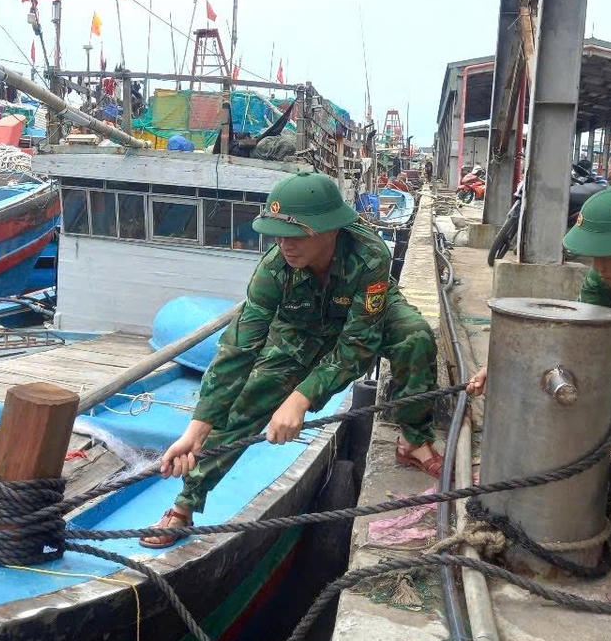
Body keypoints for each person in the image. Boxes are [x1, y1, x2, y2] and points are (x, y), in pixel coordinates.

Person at [140, 172, 442, 547]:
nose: (284, 245)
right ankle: (186, 503)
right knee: (251, 398)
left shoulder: (370, 255)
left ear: (330, 230)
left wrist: (300, 399)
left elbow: (358, 344)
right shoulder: (273, 269)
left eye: (295, 235)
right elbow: (238, 349)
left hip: (363, 310)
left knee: (415, 336)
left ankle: (414, 439)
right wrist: (196, 430)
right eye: (278, 235)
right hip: (300, 325)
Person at [467, 186, 611, 418]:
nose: (598, 268)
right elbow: (575, 336)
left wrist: (585, 388)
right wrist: (510, 367)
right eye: (594, 257)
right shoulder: (606, 274)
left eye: (607, 257)